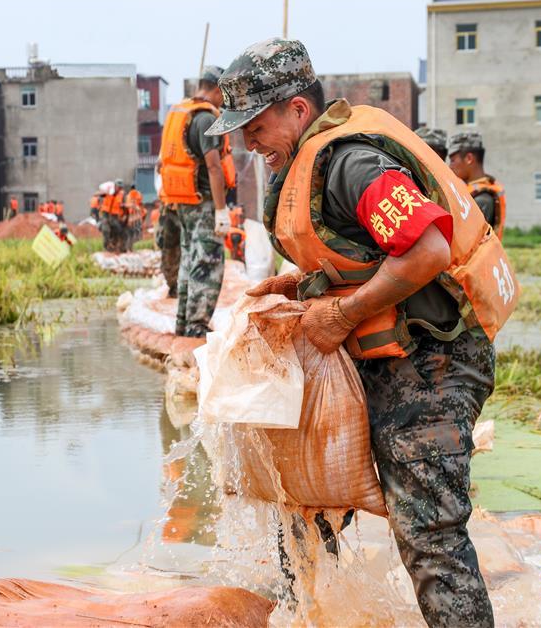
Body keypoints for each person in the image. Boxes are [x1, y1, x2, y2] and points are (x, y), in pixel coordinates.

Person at [208, 38, 519, 627]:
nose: (248, 142)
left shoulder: (352, 164)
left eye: (255, 126)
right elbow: (359, 254)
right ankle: (308, 615)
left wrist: (343, 315)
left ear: (298, 110)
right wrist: (301, 285)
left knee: (428, 532)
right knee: (306, 507)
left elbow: (427, 250)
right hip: (376, 359)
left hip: (433, 361)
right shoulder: (305, 164)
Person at [158, 65, 237, 337]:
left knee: (189, 260)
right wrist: (221, 210)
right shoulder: (204, 119)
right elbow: (214, 167)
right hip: (203, 204)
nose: (223, 101)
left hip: (182, 203)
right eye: (223, 94)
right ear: (216, 89)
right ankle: (196, 326)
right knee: (207, 262)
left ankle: (183, 322)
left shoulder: (179, 113)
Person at [448, 132, 506, 239]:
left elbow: (467, 240)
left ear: (469, 158)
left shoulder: (482, 199)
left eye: (452, 160)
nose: (450, 166)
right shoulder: (474, 192)